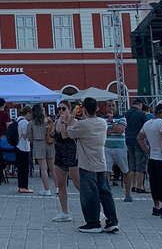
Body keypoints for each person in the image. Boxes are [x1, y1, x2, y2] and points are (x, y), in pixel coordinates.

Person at [64, 97, 120, 233]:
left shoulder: (83, 124)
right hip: (101, 162)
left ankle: (93, 222)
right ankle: (112, 220)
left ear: (83, 109)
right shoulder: (102, 123)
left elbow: (69, 133)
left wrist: (71, 118)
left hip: (87, 164)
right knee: (105, 193)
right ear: (97, 109)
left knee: (89, 195)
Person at [137, 103, 162, 219]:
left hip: (153, 157)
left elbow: (139, 137)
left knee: (155, 183)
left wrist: (147, 150)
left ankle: (157, 207)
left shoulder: (148, 123)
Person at [52, 100, 80, 222]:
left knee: (78, 183)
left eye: (63, 109)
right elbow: (56, 139)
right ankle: (64, 212)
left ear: (69, 109)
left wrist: (63, 123)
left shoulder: (74, 122)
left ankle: (95, 209)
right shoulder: (57, 121)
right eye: (59, 109)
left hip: (71, 153)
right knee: (61, 183)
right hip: (60, 153)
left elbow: (65, 135)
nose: (61, 111)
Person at [103, 99, 131, 202]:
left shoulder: (122, 118)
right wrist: (113, 129)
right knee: (106, 171)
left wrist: (111, 122)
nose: (111, 108)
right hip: (107, 147)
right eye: (109, 106)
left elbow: (120, 131)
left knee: (125, 170)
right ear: (105, 107)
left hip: (120, 147)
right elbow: (103, 133)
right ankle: (107, 194)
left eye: (113, 106)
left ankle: (127, 194)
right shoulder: (102, 119)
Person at [27, 104, 54, 196]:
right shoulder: (47, 121)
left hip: (38, 143)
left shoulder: (31, 122)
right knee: (52, 167)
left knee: (43, 168)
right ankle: (58, 187)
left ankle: (47, 189)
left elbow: (29, 136)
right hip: (49, 142)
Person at [125, 98, 150, 194]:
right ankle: (140, 186)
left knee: (132, 162)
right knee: (141, 163)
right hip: (139, 141)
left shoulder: (127, 113)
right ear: (140, 104)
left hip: (128, 140)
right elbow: (146, 127)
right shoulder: (142, 114)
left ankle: (133, 185)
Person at [15, 106, 32, 193]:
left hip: (18, 146)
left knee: (20, 168)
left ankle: (21, 186)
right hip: (24, 147)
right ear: (28, 113)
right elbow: (25, 136)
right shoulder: (25, 122)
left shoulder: (18, 120)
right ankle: (24, 186)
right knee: (25, 168)